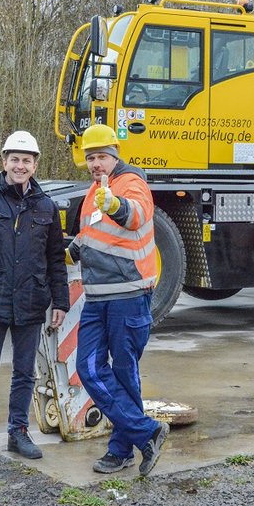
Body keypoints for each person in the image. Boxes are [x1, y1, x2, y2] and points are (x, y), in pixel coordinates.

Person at [0, 130, 69, 469]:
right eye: (14, 159)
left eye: (26, 161)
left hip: (31, 301)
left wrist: (59, 302)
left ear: (35, 166)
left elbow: (55, 259)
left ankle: (18, 432)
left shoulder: (46, 206)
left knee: (24, 373)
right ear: (4, 162)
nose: (20, 166)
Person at [67, 123, 169, 476]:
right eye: (91, 157)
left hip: (129, 294)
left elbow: (136, 214)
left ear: (115, 155)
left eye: (101, 157)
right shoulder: (94, 190)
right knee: (90, 368)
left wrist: (115, 204)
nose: (96, 163)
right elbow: (92, 233)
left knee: (124, 373)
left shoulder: (131, 183)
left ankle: (120, 450)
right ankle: (148, 432)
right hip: (97, 296)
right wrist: (71, 251)